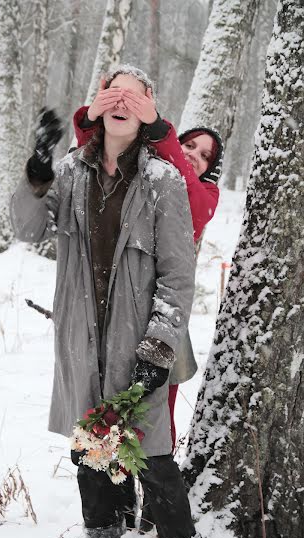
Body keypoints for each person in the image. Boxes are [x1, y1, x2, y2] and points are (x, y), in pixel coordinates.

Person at [10, 64, 209, 538]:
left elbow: (177, 275)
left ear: (148, 108)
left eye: (136, 91)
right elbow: (26, 230)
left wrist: (158, 347)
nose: (121, 98)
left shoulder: (163, 180)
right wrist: (36, 171)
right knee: (89, 449)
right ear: (97, 106)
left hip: (136, 343)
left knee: (156, 459)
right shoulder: (72, 172)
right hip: (80, 341)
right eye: (110, 89)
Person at [72, 82, 224, 453]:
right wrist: (89, 119)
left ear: (211, 169)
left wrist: (163, 135)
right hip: (119, 305)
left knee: (154, 425)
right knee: (106, 413)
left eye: (204, 156)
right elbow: (99, 160)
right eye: (189, 145)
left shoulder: (204, 194)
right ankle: (113, 495)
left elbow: (193, 205)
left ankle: (156, 501)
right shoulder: (149, 173)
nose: (193, 156)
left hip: (165, 313)